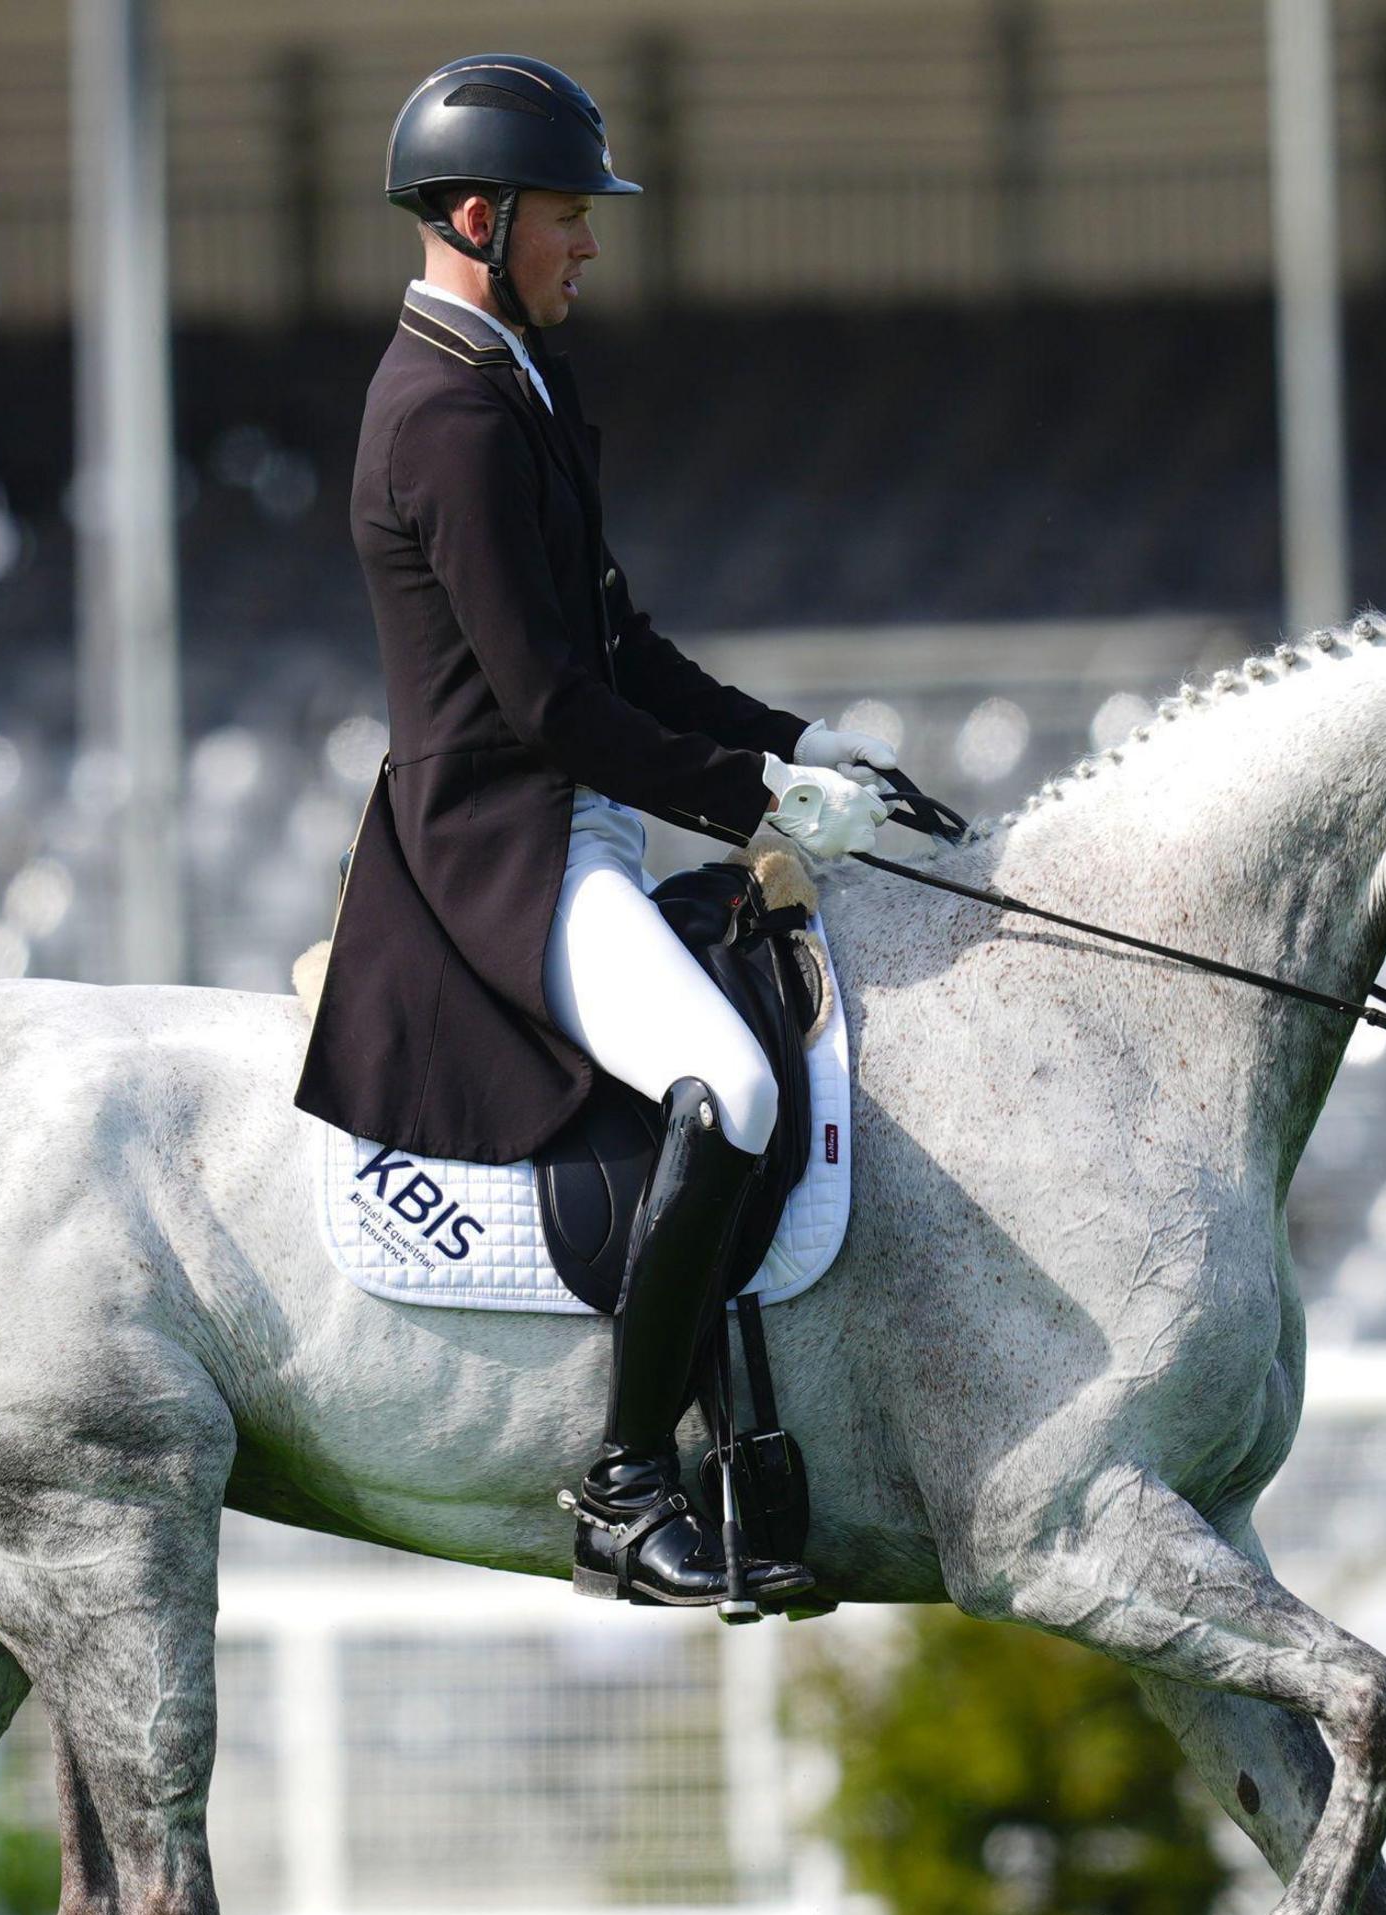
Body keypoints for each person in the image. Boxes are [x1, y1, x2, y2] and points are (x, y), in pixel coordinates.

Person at [293, 54, 895, 1610]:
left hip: (584, 816)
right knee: (737, 1084)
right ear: (482, 218)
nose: (590, 246)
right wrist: (754, 799)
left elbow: (623, 646)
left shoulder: (519, 383)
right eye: (570, 218)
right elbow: (556, 706)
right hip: (504, 851)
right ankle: (628, 1487)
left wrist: (793, 739)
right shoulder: (446, 415)